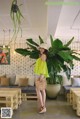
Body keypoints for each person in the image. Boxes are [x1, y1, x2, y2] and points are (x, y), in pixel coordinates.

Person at [34, 43, 49, 113]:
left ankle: (43, 106)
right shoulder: (42, 55)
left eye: (42, 48)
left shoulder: (43, 55)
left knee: (38, 90)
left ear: (45, 49)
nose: (40, 49)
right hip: (41, 75)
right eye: (40, 48)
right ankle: (43, 106)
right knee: (42, 90)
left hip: (41, 75)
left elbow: (43, 66)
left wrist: (42, 75)